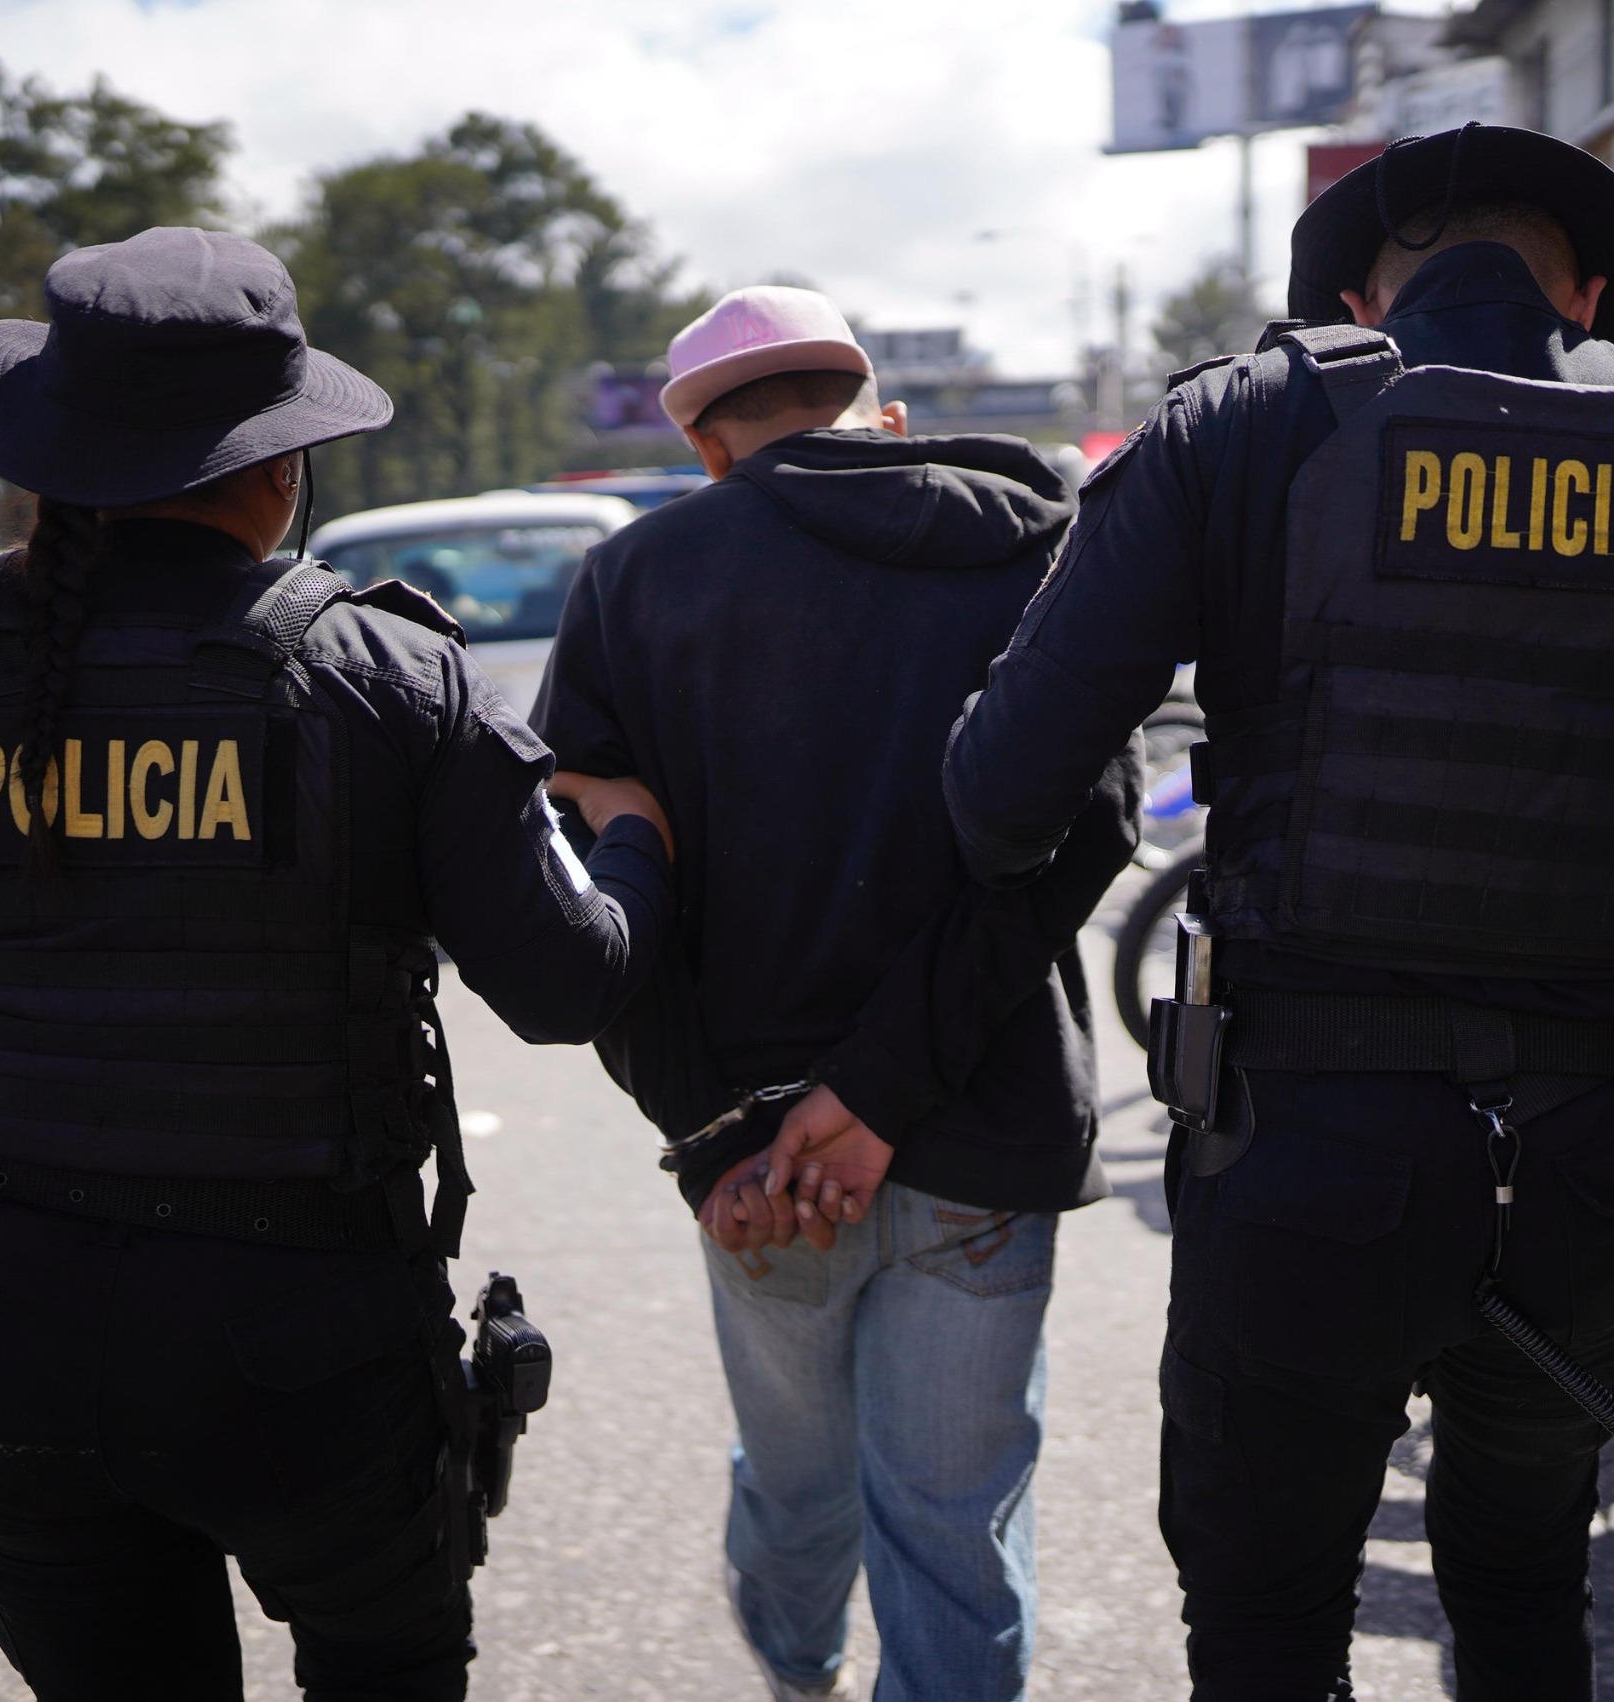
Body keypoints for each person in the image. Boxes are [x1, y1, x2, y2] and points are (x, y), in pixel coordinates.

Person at [941, 125, 1614, 1700]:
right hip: (1594, 1163)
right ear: (1586, 293)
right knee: (1525, 1596)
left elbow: (1000, 791)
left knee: (1266, 1628)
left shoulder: (1245, 426)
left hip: (1305, 1154)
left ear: (1363, 299)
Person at [0, 226, 673, 1702]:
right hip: (309, 1350)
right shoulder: (388, 678)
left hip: (1, 1334)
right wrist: (633, 845)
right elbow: (567, 984)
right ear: (282, 469)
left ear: (51, 463)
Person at [534, 285, 1139, 1702]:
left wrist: (708, 1132)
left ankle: (795, 1670)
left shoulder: (641, 579)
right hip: (981, 1118)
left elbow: (596, 883)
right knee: (952, 1531)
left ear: (707, 446)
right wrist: (881, 1087)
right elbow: (1089, 830)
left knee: (800, 1492)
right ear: (884, 414)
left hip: (753, 1149)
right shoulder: (1033, 549)